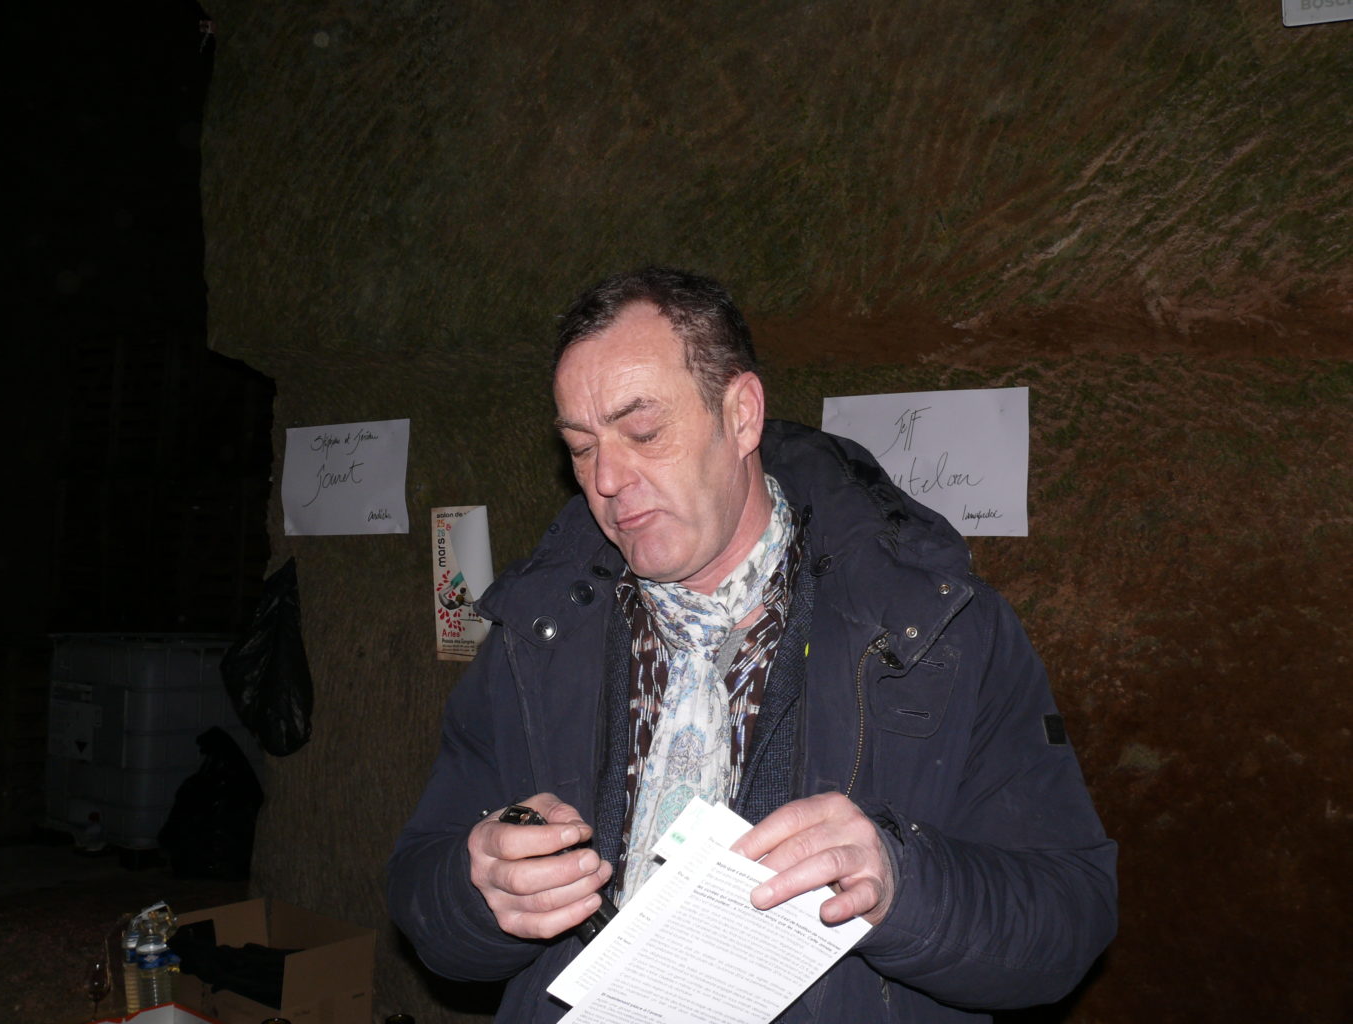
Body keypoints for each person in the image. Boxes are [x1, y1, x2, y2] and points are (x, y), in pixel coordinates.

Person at [388, 267, 1117, 1022]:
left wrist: (901, 885)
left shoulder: (936, 626)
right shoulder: (534, 631)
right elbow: (421, 892)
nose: (605, 478)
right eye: (580, 446)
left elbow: (1069, 918)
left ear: (741, 416)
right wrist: (477, 893)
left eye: (643, 432)